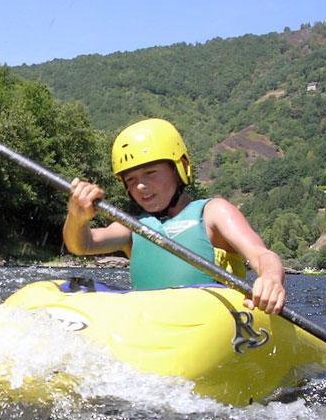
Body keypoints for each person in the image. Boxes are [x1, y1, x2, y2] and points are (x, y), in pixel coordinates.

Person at [63, 118, 286, 314]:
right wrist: (76, 217)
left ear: (180, 168)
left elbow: (262, 255)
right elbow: (82, 245)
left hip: (213, 325)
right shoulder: (134, 227)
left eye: (151, 173)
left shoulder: (212, 212)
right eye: (130, 179)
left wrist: (270, 279)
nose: (140, 185)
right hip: (153, 325)